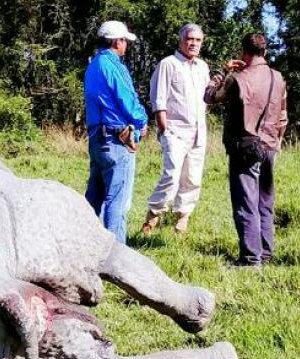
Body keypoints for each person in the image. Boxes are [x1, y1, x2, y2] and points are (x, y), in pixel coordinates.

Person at [204, 33, 288, 267]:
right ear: (265, 52)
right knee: (265, 202)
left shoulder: (237, 78)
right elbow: (283, 116)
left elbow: (209, 96)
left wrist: (222, 72)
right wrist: (277, 142)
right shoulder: (278, 77)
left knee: (246, 203)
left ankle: (251, 258)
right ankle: (266, 254)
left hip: (245, 146)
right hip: (270, 145)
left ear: (244, 53)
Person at [84, 20, 148, 244]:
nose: (126, 45)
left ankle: (86, 246)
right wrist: (142, 120)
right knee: (117, 202)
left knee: (94, 198)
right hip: (116, 138)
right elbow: (127, 99)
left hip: (96, 137)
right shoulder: (114, 66)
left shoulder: (93, 65)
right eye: (124, 41)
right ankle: (116, 258)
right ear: (117, 41)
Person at [142, 24, 210, 235]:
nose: (193, 43)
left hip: (198, 131)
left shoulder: (202, 67)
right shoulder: (168, 64)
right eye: (190, 39)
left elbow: (209, 96)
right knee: (171, 175)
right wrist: (165, 129)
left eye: (198, 40)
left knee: (193, 177)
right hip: (175, 130)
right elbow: (158, 99)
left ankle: (182, 219)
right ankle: (152, 216)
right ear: (181, 40)